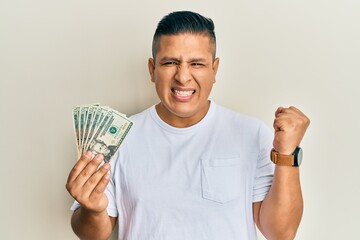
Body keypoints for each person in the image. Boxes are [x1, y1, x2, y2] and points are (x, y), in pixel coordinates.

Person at [66, 11, 310, 240]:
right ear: (152, 70)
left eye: (197, 64)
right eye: (170, 62)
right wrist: (94, 211)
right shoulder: (116, 138)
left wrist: (287, 154)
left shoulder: (252, 133)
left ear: (215, 70)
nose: (183, 77)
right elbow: (92, 233)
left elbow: (280, 233)